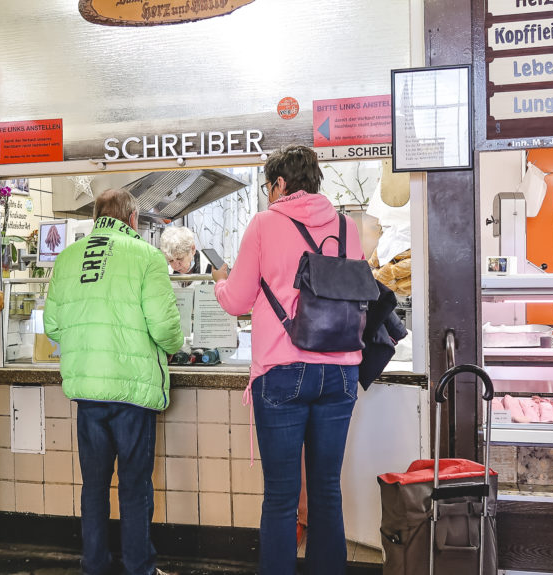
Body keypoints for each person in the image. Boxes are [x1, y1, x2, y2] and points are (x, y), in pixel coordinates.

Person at [212, 145, 365, 575]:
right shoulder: (346, 226)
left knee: (281, 497)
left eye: (269, 185)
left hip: (282, 370)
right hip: (341, 370)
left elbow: (238, 299)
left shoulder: (263, 223)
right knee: (326, 491)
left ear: (279, 184)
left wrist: (220, 284)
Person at [43, 189, 184, 575]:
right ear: (132, 219)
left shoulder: (69, 257)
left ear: (96, 217)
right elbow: (166, 328)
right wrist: (175, 345)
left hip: (87, 392)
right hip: (133, 391)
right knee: (134, 487)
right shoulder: (146, 256)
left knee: (94, 487)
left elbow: (52, 324)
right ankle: (139, 568)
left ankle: (95, 567)